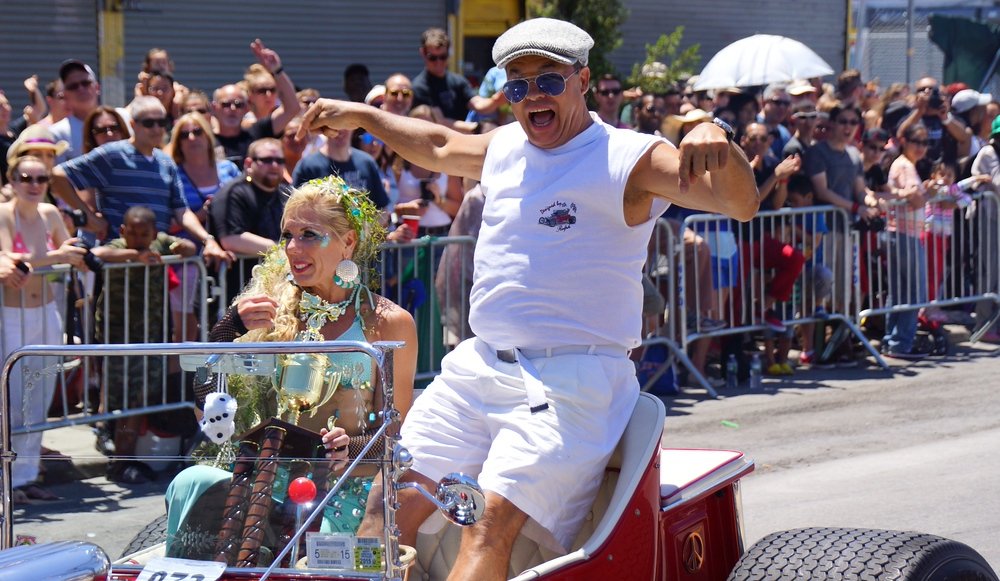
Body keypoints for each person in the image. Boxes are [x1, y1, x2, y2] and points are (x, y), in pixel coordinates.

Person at [301, 17, 757, 580]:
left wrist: (717, 136)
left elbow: (740, 204)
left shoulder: (628, 156)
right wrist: (364, 115)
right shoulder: (507, 144)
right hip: (479, 366)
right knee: (384, 499)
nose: (532, 95)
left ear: (583, 79)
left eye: (548, 79)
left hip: (572, 382)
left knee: (488, 523)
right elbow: (440, 143)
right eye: (517, 85)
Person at [163, 176, 417, 557]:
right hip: (266, 475)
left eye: (310, 235)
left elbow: (396, 431)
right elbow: (209, 402)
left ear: (348, 241)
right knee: (193, 481)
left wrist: (352, 449)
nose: (293, 248)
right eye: (287, 235)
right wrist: (228, 328)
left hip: (341, 486)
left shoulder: (389, 323)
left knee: (306, 527)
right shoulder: (269, 307)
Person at [50, 97, 231, 267]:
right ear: (133, 125)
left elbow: (182, 211)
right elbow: (58, 176)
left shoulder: (166, 162)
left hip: (155, 265)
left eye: (161, 122)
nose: (156, 128)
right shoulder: (112, 154)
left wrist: (208, 240)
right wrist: (88, 216)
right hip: (119, 266)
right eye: (149, 123)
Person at [0, 155, 87, 502]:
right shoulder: (5, 214)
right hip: (11, 313)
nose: (34, 185)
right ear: (13, 180)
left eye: (41, 179)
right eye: (26, 178)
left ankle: (24, 477)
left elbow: (74, 255)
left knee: (39, 398)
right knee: (11, 398)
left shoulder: (51, 213)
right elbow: (12, 260)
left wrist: (56, 259)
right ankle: (5, 479)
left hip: (46, 311)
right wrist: (55, 257)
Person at [90, 205, 197, 483]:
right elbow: (97, 254)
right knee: (125, 399)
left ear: (154, 233)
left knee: (140, 398)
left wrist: (180, 246)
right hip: (118, 336)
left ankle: (125, 455)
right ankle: (119, 458)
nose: (139, 238)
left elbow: (187, 248)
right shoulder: (117, 246)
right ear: (123, 231)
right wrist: (135, 255)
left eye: (144, 234)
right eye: (133, 233)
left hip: (151, 335)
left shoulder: (160, 243)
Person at [164, 112, 241, 340]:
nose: (192, 138)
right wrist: (201, 214)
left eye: (197, 132)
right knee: (189, 328)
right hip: (190, 263)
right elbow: (168, 222)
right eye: (184, 134)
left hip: (229, 260)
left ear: (207, 136)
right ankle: (184, 375)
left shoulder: (228, 169)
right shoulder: (173, 173)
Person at [883, 123, 931, 359]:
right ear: (905, 142)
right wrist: (929, 193)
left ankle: (893, 340)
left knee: (900, 291)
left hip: (900, 234)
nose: (921, 147)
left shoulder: (905, 164)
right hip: (905, 234)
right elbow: (915, 199)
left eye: (925, 142)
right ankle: (901, 342)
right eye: (916, 142)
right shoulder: (905, 165)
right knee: (912, 291)